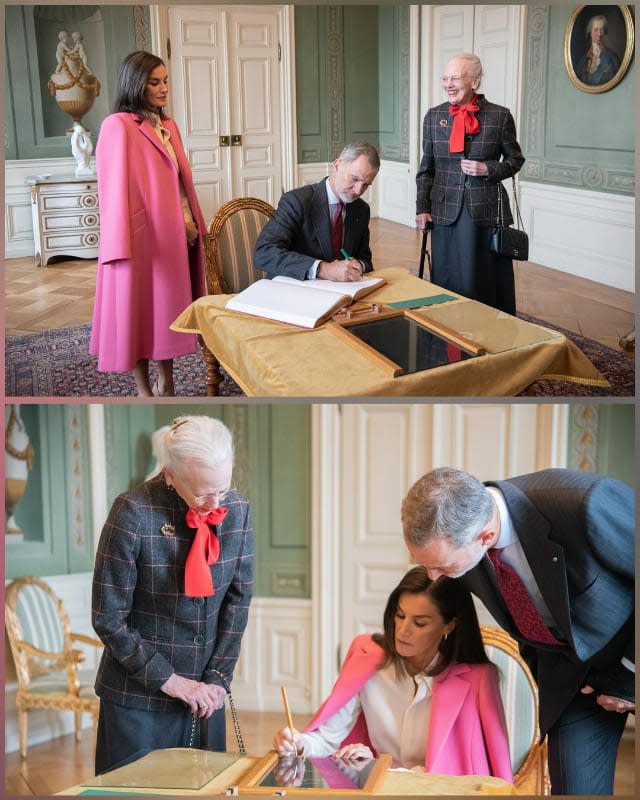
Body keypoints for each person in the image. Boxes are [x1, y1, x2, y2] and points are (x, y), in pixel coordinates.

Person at [401, 467, 634, 796]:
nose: (434, 576)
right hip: (573, 681)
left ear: (484, 537)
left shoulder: (584, 505)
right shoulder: (460, 542)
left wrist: (628, 676)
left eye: (442, 566)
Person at [91, 415, 254, 774]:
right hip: (138, 702)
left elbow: (238, 601)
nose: (214, 504)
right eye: (201, 492)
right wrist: (175, 683)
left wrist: (216, 680)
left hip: (204, 701)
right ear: (169, 474)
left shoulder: (239, 511)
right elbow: (108, 618)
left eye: (222, 489)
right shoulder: (132, 512)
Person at [273, 566, 513, 781]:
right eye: (400, 615)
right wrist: (297, 743)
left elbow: (494, 772)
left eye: (420, 623)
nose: (403, 631)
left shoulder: (479, 679)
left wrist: (379, 769)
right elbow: (327, 739)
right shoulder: (366, 658)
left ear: (449, 625)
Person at [89, 51, 207, 396]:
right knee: (137, 315)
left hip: (176, 237)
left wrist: (190, 222)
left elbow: (180, 183)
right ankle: (143, 389)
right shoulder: (118, 126)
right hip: (139, 240)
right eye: (154, 82)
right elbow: (111, 189)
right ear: (136, 84)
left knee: (165, 314)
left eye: (166, 80)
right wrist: (118, 244)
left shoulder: (169, 126)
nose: (163, 88)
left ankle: (166, 381)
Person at [415, 53, 525, 315]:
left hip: (484, 210)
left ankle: (487, 327)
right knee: (447, 274)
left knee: (481, 277)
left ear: (474, 82)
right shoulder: (433, 116)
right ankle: (448, 325)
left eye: (455, 78)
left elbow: (515, 160)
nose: (448, 84)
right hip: (443, 209)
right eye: (445, 78)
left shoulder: (500, 116)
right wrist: (422, 208)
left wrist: (487, 168)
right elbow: (426, 169)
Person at [254, 141, 380, 282]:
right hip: (294, 289)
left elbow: (365, 260)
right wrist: (323, 269)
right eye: (354, 179)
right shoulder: (297, 201)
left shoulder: (361, 209)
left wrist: (359, 266)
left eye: (365, 185)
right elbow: (264, 252)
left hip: (340, 295)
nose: (358, 190)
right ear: (337, 165)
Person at [576, 14, 621, 86]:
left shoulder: (613, 57)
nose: (599, 34)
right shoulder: (582, 61)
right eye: (596, 30)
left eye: (601, 30)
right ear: (590, 32)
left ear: (605, 31)